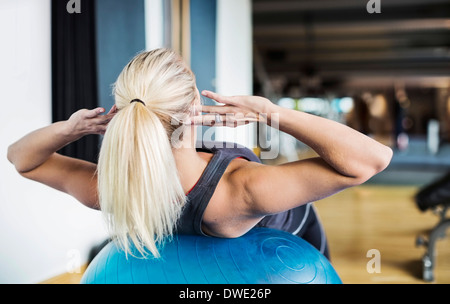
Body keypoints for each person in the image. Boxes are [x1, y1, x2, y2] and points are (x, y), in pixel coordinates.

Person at [7, 48, 393, 259]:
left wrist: (70, 128)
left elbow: (21, 158)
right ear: (196, 105)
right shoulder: (241, 189)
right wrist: (266, 110)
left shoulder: (115, 188)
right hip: (295, 245)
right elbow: (372, 159)